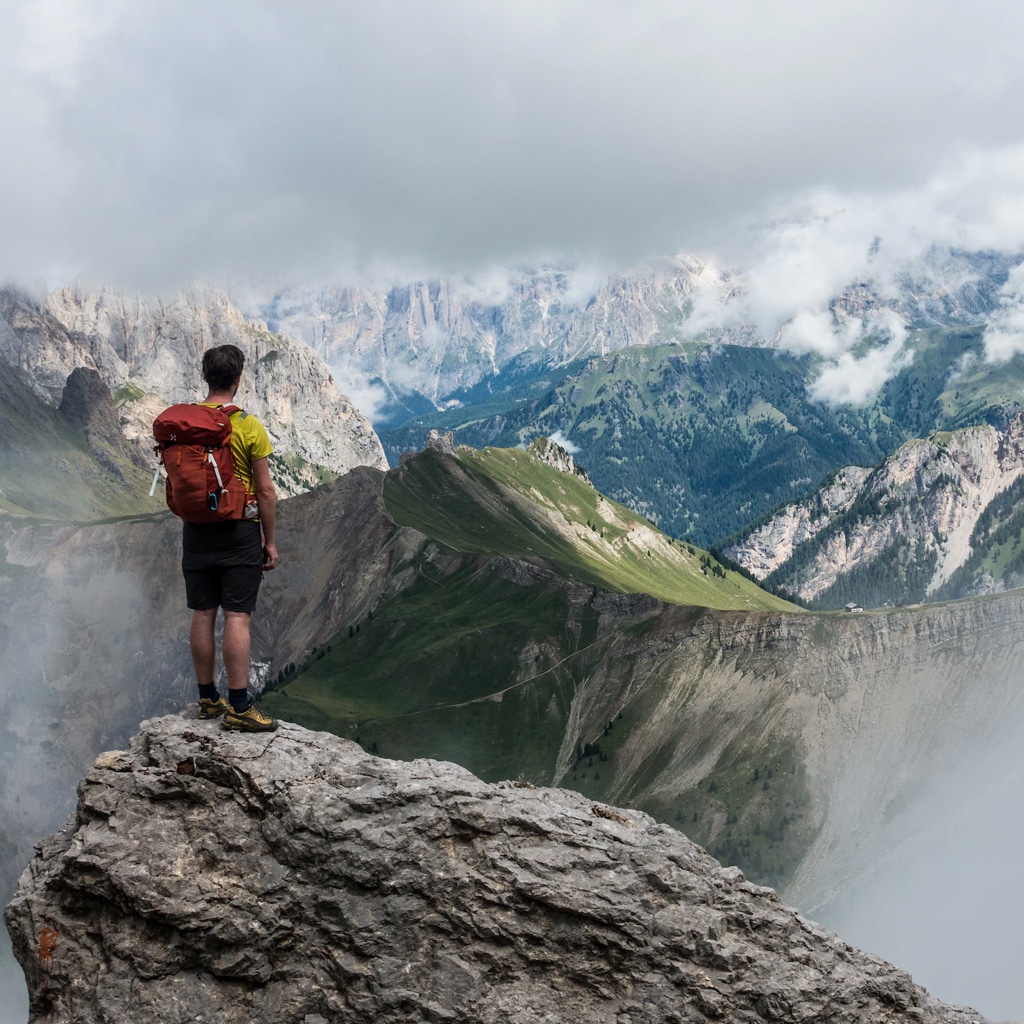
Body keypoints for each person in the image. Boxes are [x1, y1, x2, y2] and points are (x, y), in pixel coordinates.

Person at [183, 344, 279, 732]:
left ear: (206, 377)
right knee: (237, 615)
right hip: (239, 530)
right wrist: (269, 543)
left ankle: (208, 700)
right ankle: (239, 706)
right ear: (238, 379)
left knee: (203, 612)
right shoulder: (248, 426)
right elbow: (267, 491)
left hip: (196, 531)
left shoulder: (185, 424)